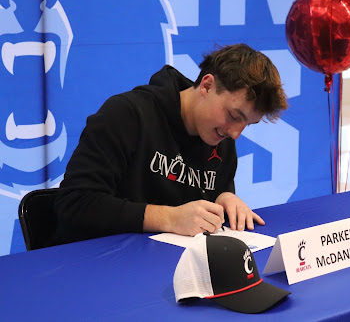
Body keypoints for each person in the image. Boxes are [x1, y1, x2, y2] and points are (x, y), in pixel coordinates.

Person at [52, 44, 288, 244]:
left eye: (248, 124)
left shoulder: (220, 137)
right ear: (207, 86)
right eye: (235, 116)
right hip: (91, 264)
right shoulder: (126, 115)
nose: (236, 133)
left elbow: (200, 210)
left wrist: (223, 199)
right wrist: (169, 218)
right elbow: (76, 203)